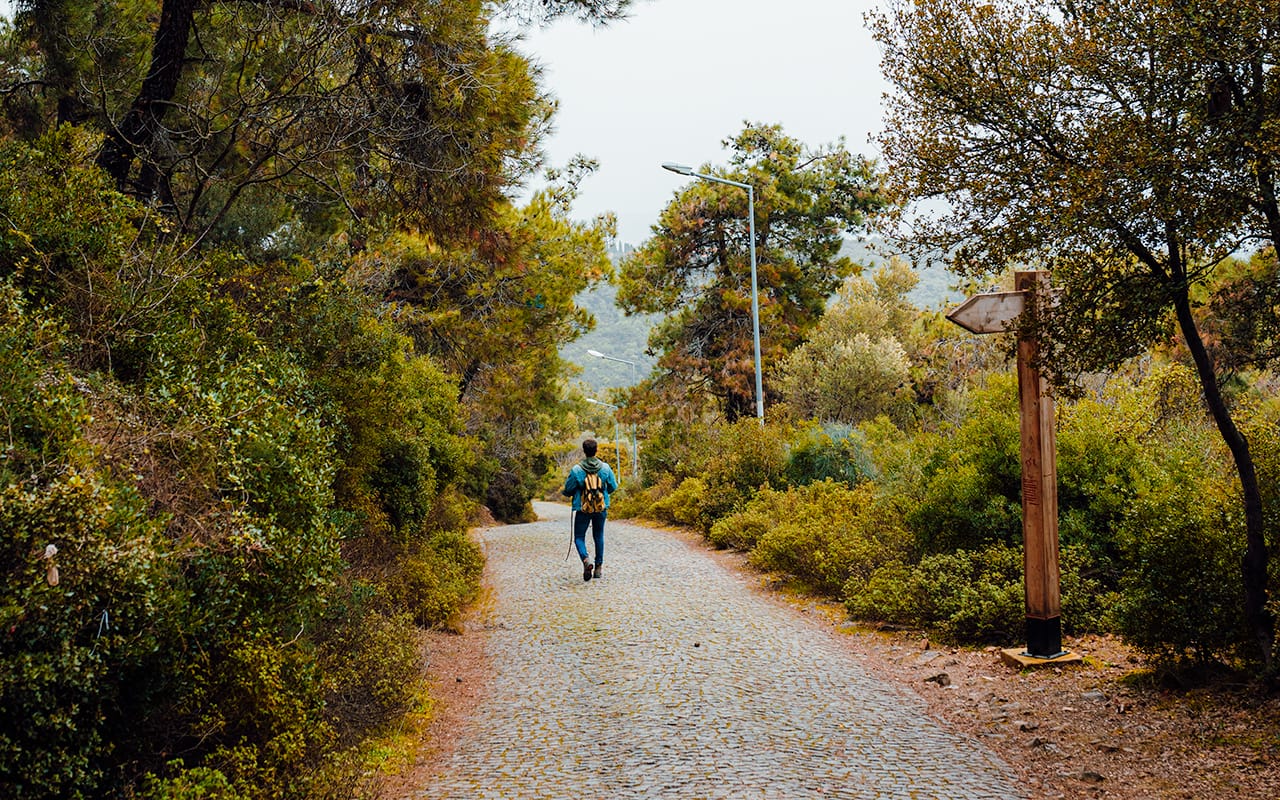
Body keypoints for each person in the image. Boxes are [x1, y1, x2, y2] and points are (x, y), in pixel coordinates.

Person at [562, 438, 619, 582]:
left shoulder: (576, 470)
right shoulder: (605, 468)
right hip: (600, 507)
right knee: (598, 535)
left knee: (579, 537)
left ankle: (586, 560)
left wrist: (574, 493)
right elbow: (613, 486)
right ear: (596, 450)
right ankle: (598, 568)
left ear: (584, 451)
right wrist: (602, 493)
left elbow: (568, 489)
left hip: (583, 508)